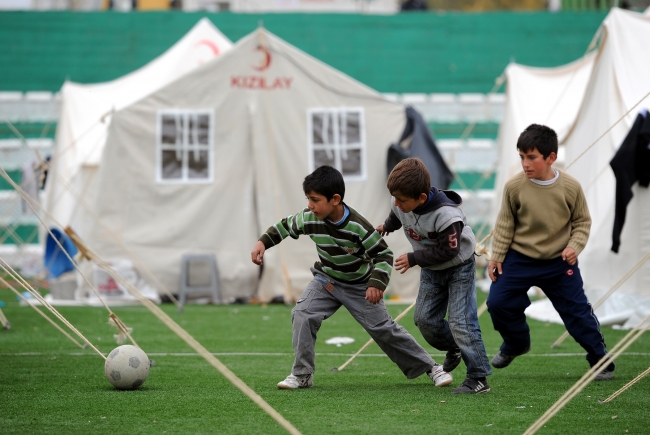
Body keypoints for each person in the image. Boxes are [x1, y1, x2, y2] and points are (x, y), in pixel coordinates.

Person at [251, 165, 452, 390]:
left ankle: (431, 368)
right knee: (302, 314)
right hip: (326, 280)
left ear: (335, 199)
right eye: (308, 199)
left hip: (359, 286)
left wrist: (376, 283)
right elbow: (285, 226)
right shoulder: (309, 218)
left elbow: (383, 254)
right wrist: (262, 243)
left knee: (383, 329)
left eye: (315, 200)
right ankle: (302, 374)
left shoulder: (358, 226)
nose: (310, 205)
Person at [487, 123, 615, 380]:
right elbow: (504, 224)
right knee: (497, 303)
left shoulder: (571, 187)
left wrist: (573, 247)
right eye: (522, 157)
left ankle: (600, 359)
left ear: (551, 158)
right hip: (518, 258)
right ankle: (516, 343)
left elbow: (582, 223)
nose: (525, 163)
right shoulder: (514, 187)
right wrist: (497, 256)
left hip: (558, 261)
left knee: (577, 313)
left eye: (532, 157)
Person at [377, 158, 492, 395]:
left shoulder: (447, 216)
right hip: (432, 268)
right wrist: (388, 225)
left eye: (402, 200)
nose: (396, 203)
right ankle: (456, 347)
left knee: (461, 322)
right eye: (394, 198)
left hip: (459, 265)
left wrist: (413, 259)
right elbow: (397, 214)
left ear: (421, 197)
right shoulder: (399, 201)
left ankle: (478, 378)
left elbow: (449, 250)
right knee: (425, 320)